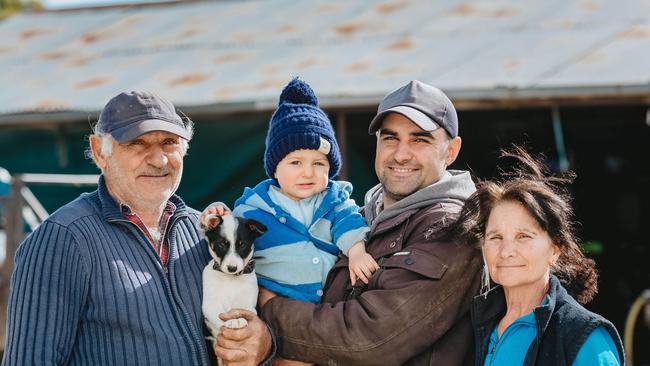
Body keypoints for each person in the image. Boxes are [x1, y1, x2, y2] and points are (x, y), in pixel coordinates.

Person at [217, 80, 483, 365]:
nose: (401, 154)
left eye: (420, 139)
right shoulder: (357, 217)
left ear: (451, 151)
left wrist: (268, 310)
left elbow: (371, 337)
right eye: (390, 138)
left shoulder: (451, 227)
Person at [1, 91, 273, 366]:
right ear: (99, 152)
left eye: (169, 142)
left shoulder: (202, 232)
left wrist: (263, 345)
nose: (159, 160)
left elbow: (240, 331)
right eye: (137, 143)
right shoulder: (61, 238)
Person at [449, 146, 625, 365]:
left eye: (523, 236)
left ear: (555, 248)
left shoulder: (583, 336)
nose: (506, 251)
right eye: (495, 237)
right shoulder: (475, 327)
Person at [228, 78, 377, 304]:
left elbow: (349, 223)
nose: (308, 173)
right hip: (274, 306)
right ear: (275, 170)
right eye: (296, 163)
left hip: (330, 305)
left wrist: (357, 253)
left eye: (318, 164)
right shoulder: (251, 210)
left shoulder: (334, 201)